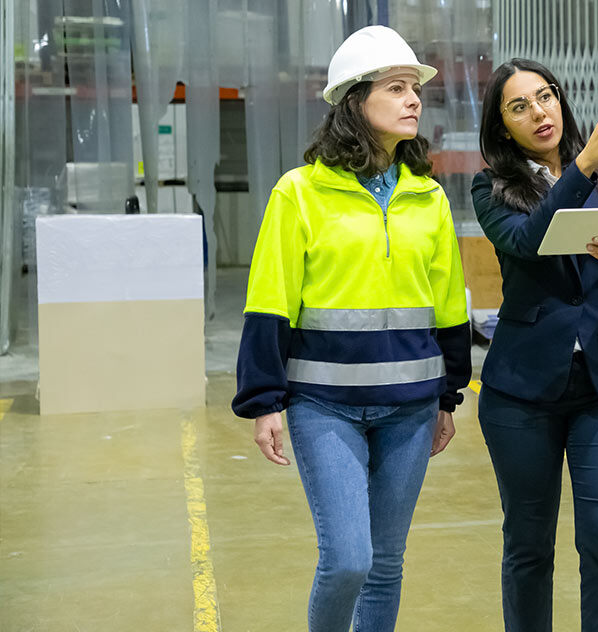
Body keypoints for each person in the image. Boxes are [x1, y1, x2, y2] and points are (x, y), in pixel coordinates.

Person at [231, 25, 470, 632]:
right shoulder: (301, 193)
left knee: (386, 564)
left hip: (411, 409)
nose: (414, 99)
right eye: (397, 88)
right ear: (354, 103)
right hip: (324, 405)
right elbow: (270, 300)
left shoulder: (429, 199)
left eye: (415, 88)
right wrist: (264, 401)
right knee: (348, 560)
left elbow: (447, 306)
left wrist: (449, 395)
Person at [470, 58, 598, 632]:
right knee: (529, 546)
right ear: (504, 126)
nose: (539, 111)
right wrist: (581, 165)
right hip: (521, 395)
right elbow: (529, 242)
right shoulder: (493, 188)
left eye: (545, 96)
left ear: (560, 100)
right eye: (519, 106)